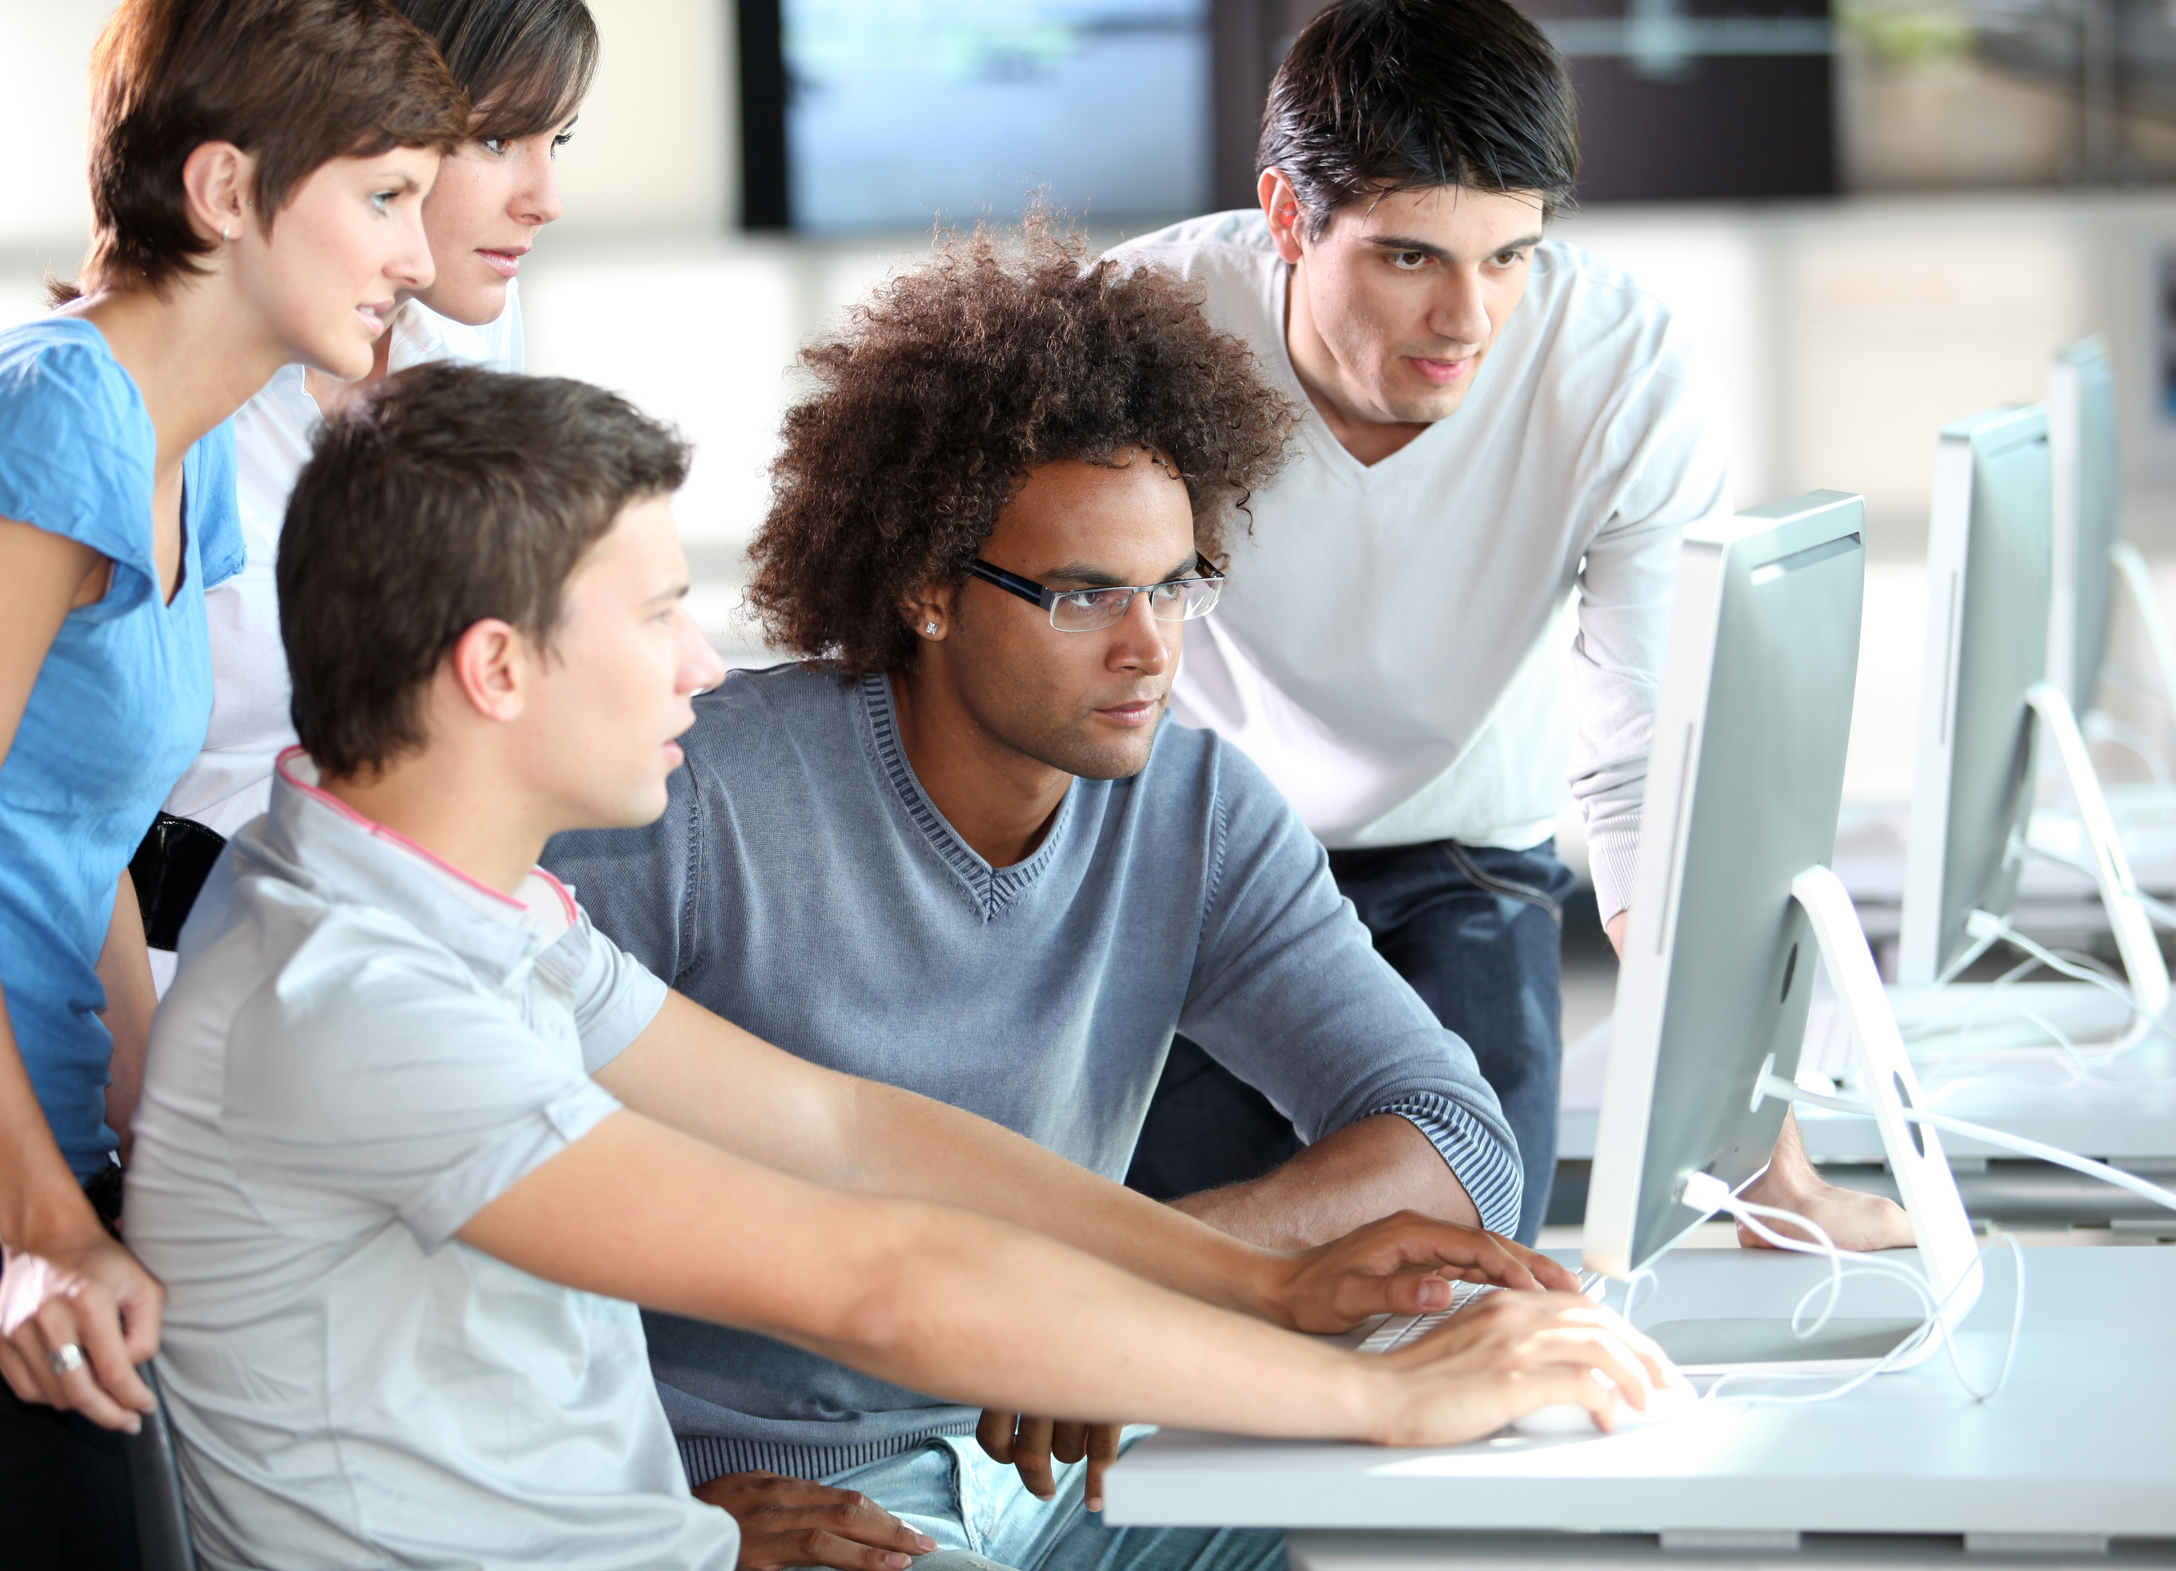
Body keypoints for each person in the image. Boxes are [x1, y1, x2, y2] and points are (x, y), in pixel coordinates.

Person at [125, 362, 1677, 1571]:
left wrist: (1260, 1278)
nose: (702, 662)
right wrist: (1385, 1393)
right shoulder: (352, 1002)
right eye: (660, 613)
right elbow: (882, 1273)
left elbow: (852, 1133)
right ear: (499, 667)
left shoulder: (477, 911)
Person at [541, 223, 1542, 1571]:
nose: (1149, 649)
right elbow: (487, 1197)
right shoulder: (687, 801)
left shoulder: (1194, 809)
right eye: (1081, 595)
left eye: (1175, 583)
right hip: (794, 1493)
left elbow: (1455, 1136)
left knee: (1498, 1521)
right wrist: (648, 1516)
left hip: (1076, 1453)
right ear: (927, 586)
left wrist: (1113, 1293)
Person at [0, 2, 466, 1562]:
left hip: (24, 1180)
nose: (422, 257)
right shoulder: (55, 406)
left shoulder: (179, 458)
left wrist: (164, 1143)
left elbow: (83, 836)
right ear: (228, 192)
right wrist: (45, 1224)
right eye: (385, 198)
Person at [1108, 0, 1911, 1250]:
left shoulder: (1615, 365)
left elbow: (1649, 764)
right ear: (1285, 218)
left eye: (1509, 256)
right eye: (1411, 257)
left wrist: (1759, 1150)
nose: (1469, 321)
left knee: (1472, 1234)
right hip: (1200, 849)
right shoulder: (1138, 329)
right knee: (1166, 1218)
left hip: (1461, 852)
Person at [138, 0, 595, 977]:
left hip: (407, 941)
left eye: (557, 139)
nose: (545, 194)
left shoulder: (466, 346)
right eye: (499, 137)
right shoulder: (160, 409)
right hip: (196, 957)